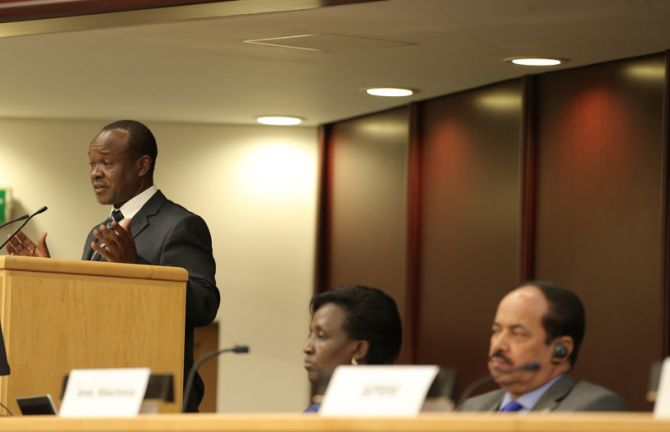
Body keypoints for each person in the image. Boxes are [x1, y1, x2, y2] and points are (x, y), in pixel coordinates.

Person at [6, 120, 220, 412]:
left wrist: (136, 268)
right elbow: (86, 312)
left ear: (142, 165)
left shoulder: (180, 225)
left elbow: (205, 306)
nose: (95, 173)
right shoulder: (100, 231)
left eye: (106, 163)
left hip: (152, 396)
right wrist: (50, 276)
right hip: (95, 391)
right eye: (92, 164)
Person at [459, 281, 625, 412]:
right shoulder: (472, 407)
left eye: (518, 333)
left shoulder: (593, 406)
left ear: (561, 349)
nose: (499, 345)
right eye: (496, 331)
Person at [303, 285, 402, 412]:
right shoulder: (316, 413)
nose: (307, 348)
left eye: (321, 335)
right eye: (310, 334)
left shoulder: (406, 417)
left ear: (359, 350)